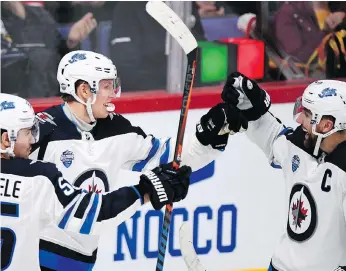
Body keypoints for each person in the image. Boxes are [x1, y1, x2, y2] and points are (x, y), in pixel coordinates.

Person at [28, 50, 248, 270]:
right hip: (33, 257)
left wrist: (210, 133)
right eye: (106, 86)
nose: (112, 93)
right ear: (84, 90)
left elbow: (173, 156)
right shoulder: (41, 132)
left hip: (82, 262)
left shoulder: (117, 129)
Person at [0, 93, 191, 271]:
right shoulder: (38, 178)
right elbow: (95, 214)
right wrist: (145, 191)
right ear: (6, 138)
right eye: (27, 132)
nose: (33, 140)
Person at [221, 72, 346, 270]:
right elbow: (273, 139)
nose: (300, 121)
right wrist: (250, 108)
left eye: (307, 115)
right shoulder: (302, 144)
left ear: (326, 125)